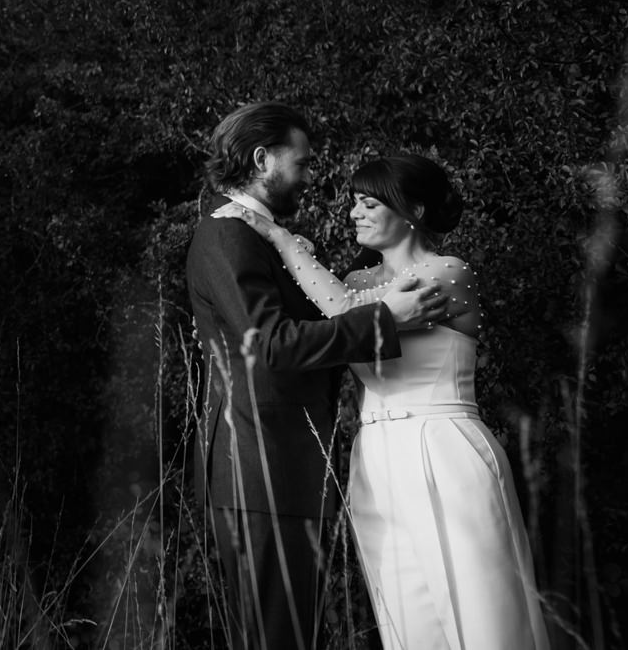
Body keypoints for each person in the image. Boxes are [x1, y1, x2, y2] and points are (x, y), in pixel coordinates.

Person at [214, 151, 551, 649]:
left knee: (481, 608)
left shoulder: (448, 272)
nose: (355, 213)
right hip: (375, 458)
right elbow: (320, 327)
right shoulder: (354, 282)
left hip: (444, 447)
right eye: (354, 202)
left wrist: (285, 242)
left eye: (369, 202)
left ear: (413, 211)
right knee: (407, 616)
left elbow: (348, 314)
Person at [187, 103, 450, 650]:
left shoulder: (260, 237)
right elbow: (272, 345)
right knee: (275, 637)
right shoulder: (227, 235)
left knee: (293, 633)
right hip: (259, 465)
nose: (309, 177)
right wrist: (385, 319)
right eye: (301, 163)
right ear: (263, 159)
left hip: (285, 466)